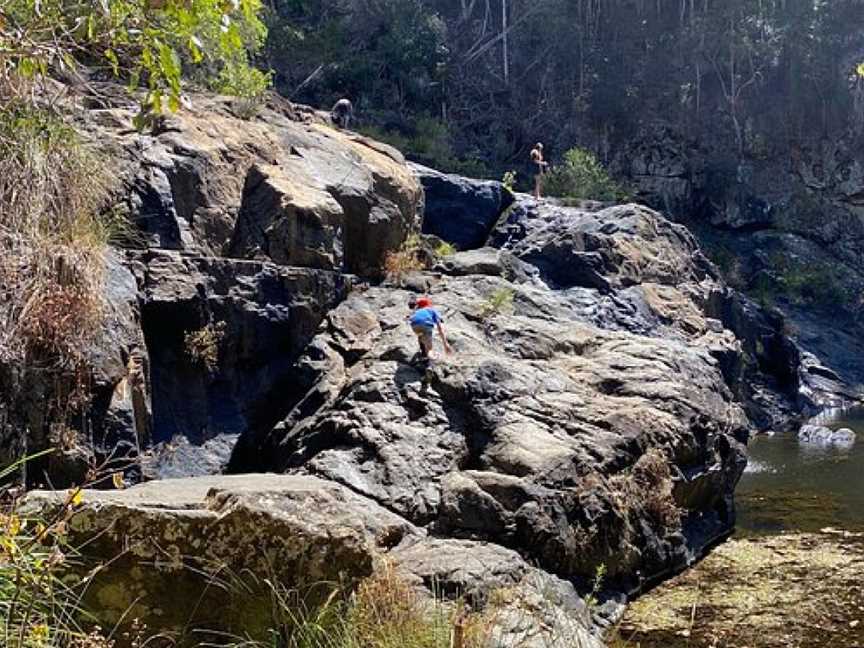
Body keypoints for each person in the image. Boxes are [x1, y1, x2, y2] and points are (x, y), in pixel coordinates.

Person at [409, 296, 452, 361]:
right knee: (429, 349)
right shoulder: (432, 310)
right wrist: (445, 344)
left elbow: (411, 317)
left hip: (414, 325)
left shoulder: (417, 311)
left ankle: (423, 354)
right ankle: (433, 360)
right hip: (425, 324)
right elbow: (440, 327)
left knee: (421, 335)